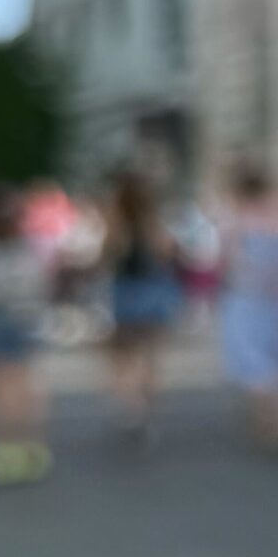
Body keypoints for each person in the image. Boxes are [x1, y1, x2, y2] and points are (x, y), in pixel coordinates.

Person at [215, 161, 278, 451]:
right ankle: (270, 419)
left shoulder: (236, 219)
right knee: (275, 362)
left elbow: (223, 259)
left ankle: (272, 421)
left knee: (255, 364)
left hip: (248, 300)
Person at [0, 191, 52, 487]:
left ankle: (3, 447)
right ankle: (29, 445)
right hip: (24, 320)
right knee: (24, 385)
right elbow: (43, 284)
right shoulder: (31, 252)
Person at [102, 170, 180, 444]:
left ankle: (131, 403)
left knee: (123, 353)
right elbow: (166, 251)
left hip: (127, 291)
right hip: (153, 290)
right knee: (149, 354)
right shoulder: (152, 219)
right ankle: (145, 406)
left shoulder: (118, 219)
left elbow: (108, 253)